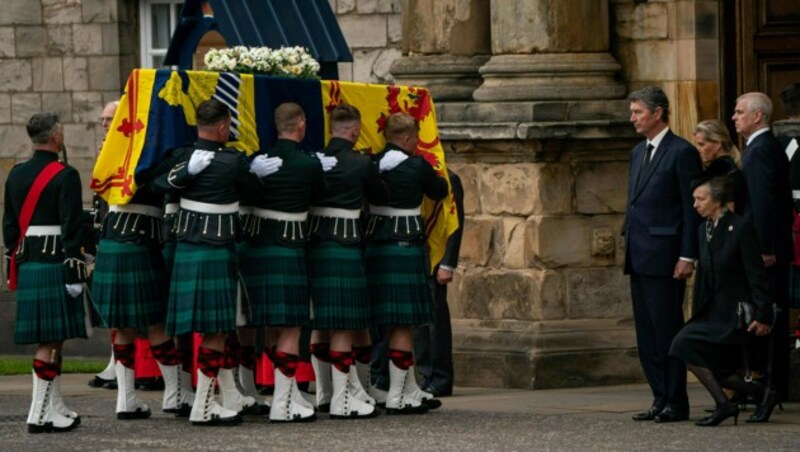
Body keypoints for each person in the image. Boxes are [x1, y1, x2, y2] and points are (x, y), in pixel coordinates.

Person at [164, 98, 280, 426]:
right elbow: (255, 194)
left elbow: (162, 186)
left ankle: (226, 396)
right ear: (222, 127)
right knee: (216, 331)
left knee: (214, 330)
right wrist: (253, 172)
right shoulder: (231, 162)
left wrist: (186, 171)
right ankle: (203, 405)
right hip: (215, 250)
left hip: (187, 248)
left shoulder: (183, 157)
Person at [238, 102, 324, 422]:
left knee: (274, 325)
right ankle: (282, 404)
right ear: (300, 124)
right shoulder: (307, 164)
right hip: (288, 248)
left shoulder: (259, 160)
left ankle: (284, 394)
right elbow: (320, 197)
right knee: (291, 326)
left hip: (258, 249)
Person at [4, 112, 88, 433]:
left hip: (29, 263)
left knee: (54, 341)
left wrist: (17, 258)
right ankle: (38, 413)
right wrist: (74, 271)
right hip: (55, 264)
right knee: (50, 341)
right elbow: (71, 226)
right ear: (55, 136)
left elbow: (9, 227)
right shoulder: (65, 175)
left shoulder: (16, 173)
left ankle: (54, 406)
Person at [624, 86, 701, 423]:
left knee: (667, 329)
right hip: (639, 255)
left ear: (658, 113)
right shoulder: (637, 152)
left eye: (638, 111)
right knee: (647, 334)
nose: (633, 118)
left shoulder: (681, 151)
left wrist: (688, 255)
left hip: (667, 257)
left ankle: (676, 400)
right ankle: (658, 396)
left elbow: (690, 208)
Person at [670, 174, 773, 427]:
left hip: (734, 313)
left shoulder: (740, 228)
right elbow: (705, 277)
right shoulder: (701, 229)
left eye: (700, 199)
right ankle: (760, 395)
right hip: (711, 311)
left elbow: (756, 275)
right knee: (706, 360)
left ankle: (727, 404)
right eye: (694, 199)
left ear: (718, 201)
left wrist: (763, 315)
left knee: (684, 346)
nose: (695, 204)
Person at [306, 104, 387, 418]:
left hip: (315, 244)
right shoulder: (360, 163)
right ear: (355, 131)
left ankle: (324, 394)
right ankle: (343, 398)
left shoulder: (314, 161)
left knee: (320, 320)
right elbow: (381, 197)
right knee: (343, 322)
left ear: (331, 129)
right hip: (346, 244)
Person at [365, 112, 448, 414]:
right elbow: (439, 191)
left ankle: (408, 385)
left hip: (375, 245)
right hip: (405, 245)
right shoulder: (416, 165)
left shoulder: (371, 163)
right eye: (414, 137)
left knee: (383, 319)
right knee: (403, 321)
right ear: (406, 138)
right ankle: (398, 395)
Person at [732, 92, 794, 408]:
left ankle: (769, 386)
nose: (734, 117)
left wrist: (765, 248)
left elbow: (764, 204)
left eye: (740, 111)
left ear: (758, 116)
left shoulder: (759, 151)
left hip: (764, 251)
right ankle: (770, 385)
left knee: (766, 316)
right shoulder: (762, 147)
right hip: (768, 247)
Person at [413, 168, 464, 397]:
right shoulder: (413, 171)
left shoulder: (448, 177)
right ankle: (424, 376)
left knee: (435, 322)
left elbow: (454, 223)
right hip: (416, 255)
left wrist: (448, 263)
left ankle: (440, 378)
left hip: (436, 257)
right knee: (419, 325)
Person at [87, 101, 119, 390]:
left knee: (119, 307)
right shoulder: (104, 150)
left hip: (120, 233)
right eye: (103, 120)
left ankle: (120, 364)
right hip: (105, 234)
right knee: (108, 305)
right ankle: (114, 361)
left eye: (109, 119)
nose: (105, 124)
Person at [692, 119, 747, 214]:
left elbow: (729, 213)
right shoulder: (719, 170)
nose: (698, 149)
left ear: (717, 144)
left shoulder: (726, 173)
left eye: (701, 144)